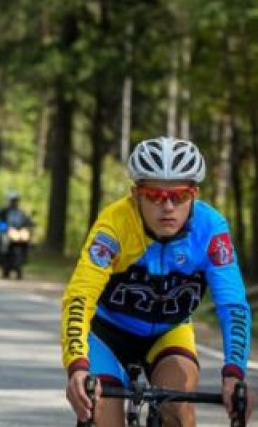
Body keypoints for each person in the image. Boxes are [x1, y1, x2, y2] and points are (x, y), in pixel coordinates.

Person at [62, 136, 253, 426]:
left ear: (195, 195)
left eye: (179, 195)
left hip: (169, 330)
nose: (168, 206)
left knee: (179, 407)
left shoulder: (210, 229)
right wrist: (77, 366)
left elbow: (233, 305)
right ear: (135, 194)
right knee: (101, 413)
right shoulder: (114, 226)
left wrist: (234, 374)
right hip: (107, 333)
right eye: (154, 195)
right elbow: (80, 296)